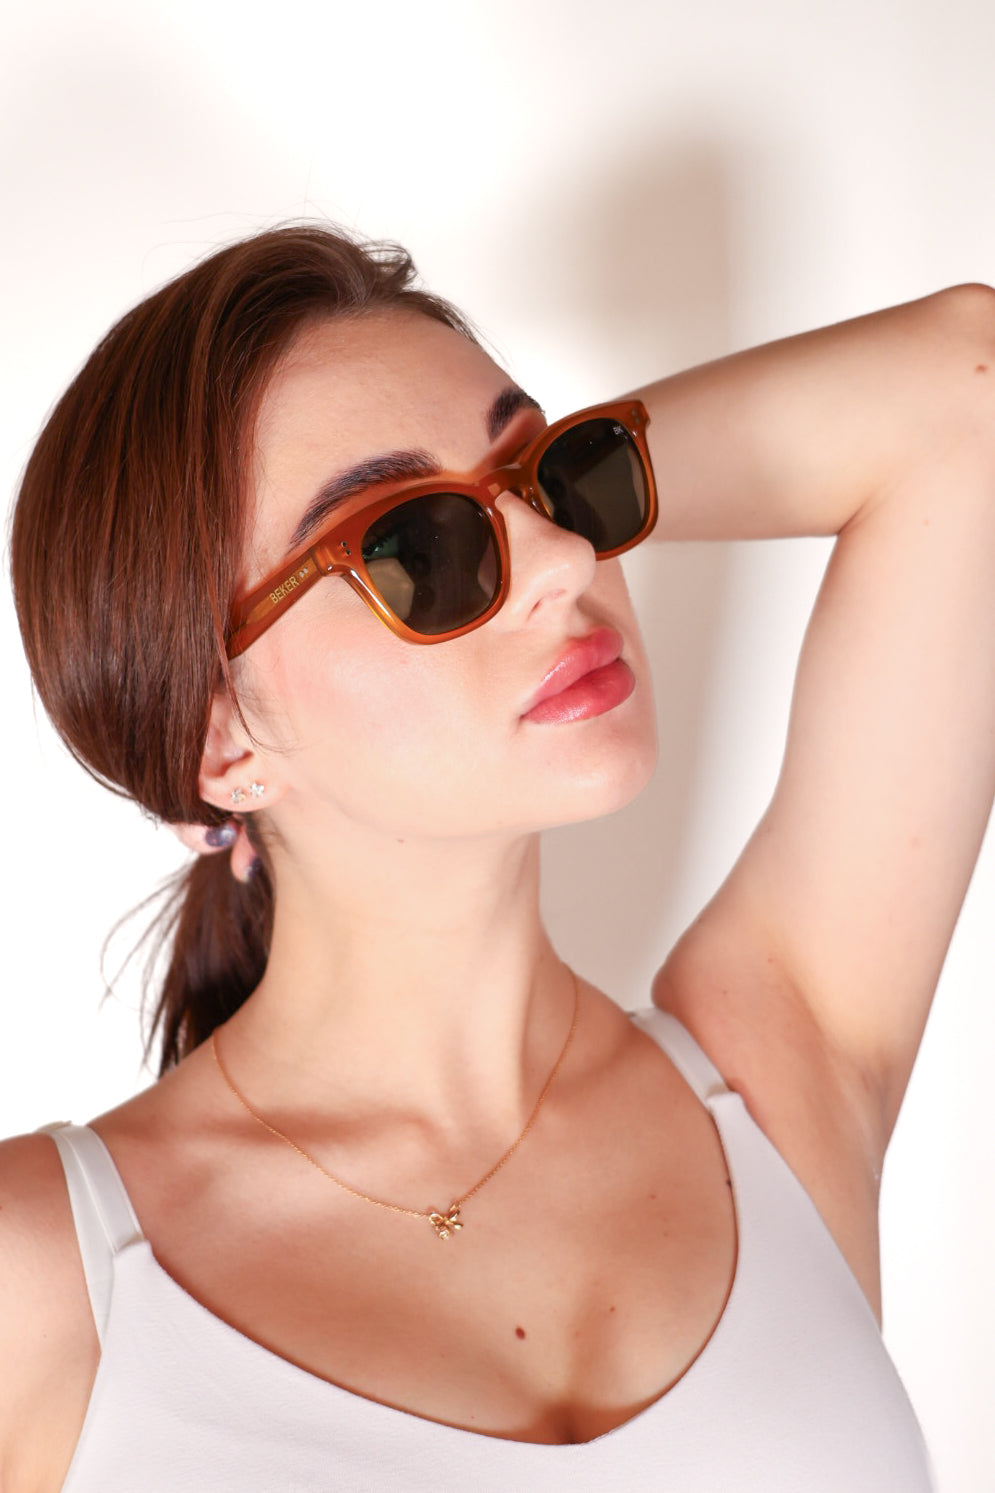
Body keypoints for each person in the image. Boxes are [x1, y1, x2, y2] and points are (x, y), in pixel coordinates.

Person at [2, 224, 992, 1492]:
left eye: (550, 480)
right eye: (414, 546)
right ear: (223, 737)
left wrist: (584, 473)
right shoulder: (48, 1278)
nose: (570, 561)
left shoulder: (773, 1066)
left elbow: (962, 387)